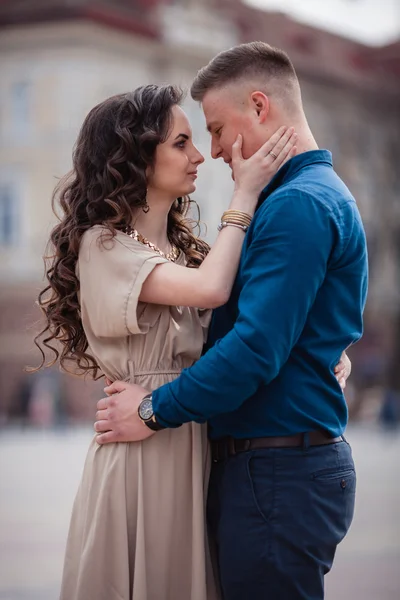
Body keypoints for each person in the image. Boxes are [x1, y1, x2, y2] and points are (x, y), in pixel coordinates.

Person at [94, 42, 368, 600]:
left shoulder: (297, 205)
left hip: (276, 472)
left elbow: (254, 350)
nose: (213, 150)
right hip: (279, 468)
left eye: (216, 129)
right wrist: (323, 355)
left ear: (260, 106)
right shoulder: (311, 197)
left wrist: (151, 409)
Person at [33, 84, 306, 600]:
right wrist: (244, 195)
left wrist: (328, 357)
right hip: (143, 454)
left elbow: (251, 326)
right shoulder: (103, 243)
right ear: (136, 155)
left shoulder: (180, 250)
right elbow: (213, 291)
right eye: (182, 142)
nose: (200, 155)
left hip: (189, 441)